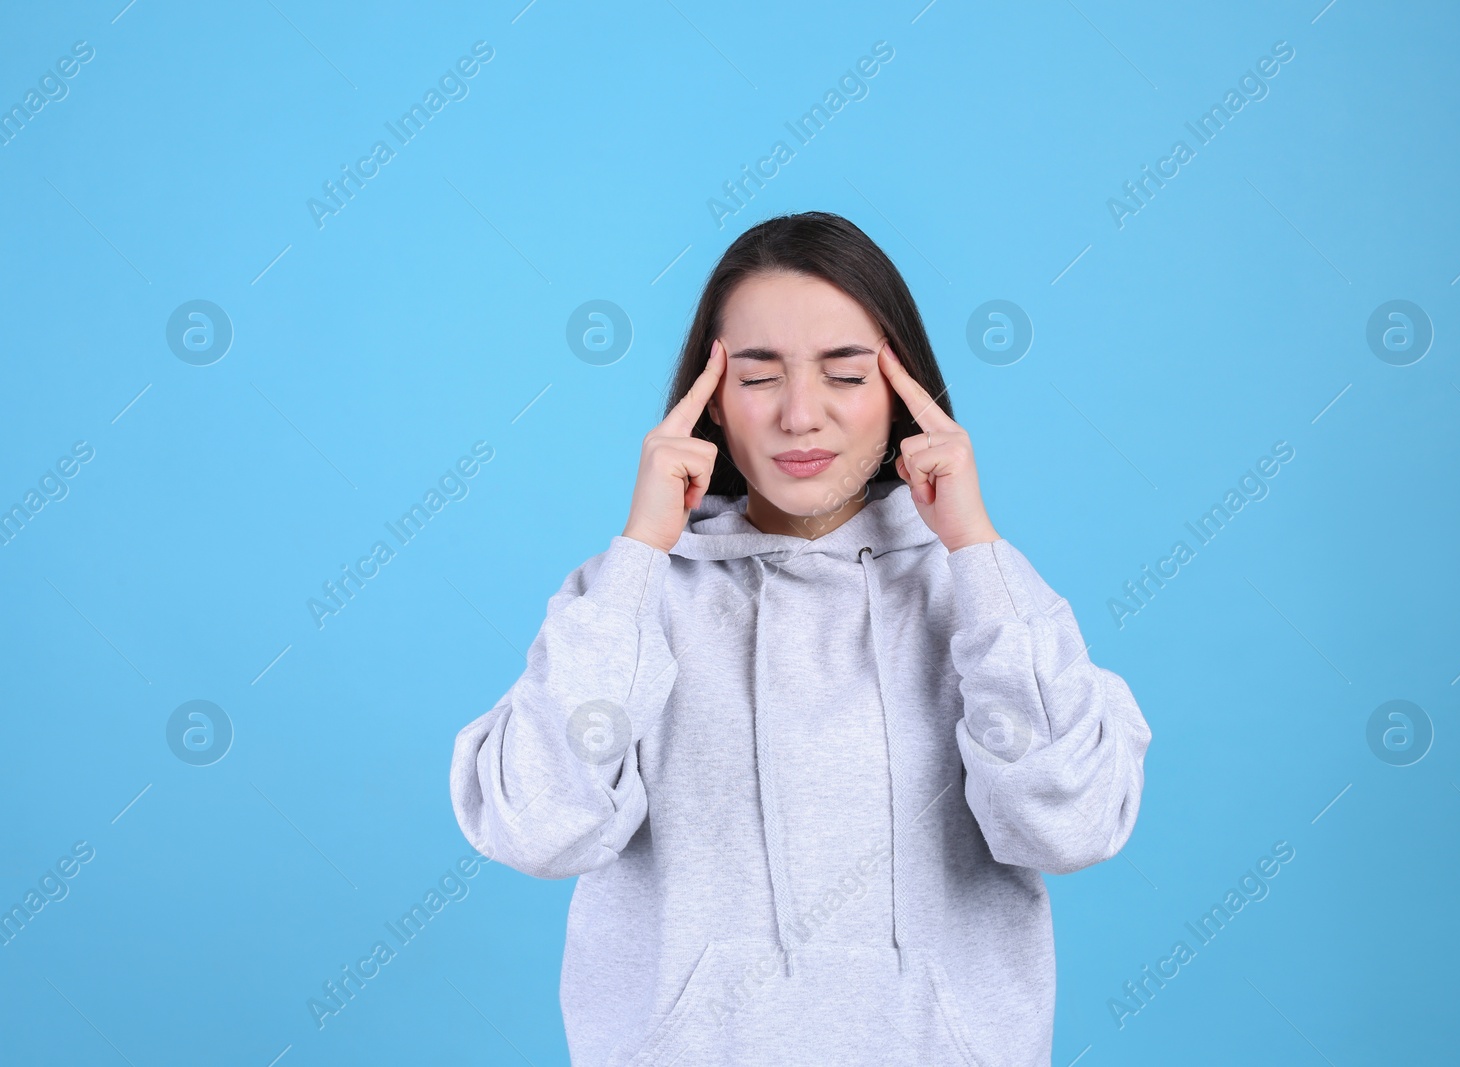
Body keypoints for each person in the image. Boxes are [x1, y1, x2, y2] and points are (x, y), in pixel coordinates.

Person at [449, 211, 1152, 1066]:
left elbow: (1070, 826)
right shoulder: (629, 601)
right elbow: (536, 827)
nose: (800, 415)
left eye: (846, 375)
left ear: (904, 390)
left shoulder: (982, 594)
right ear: (705, 400)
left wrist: (975, 549)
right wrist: (640, 551)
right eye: (758, 376)